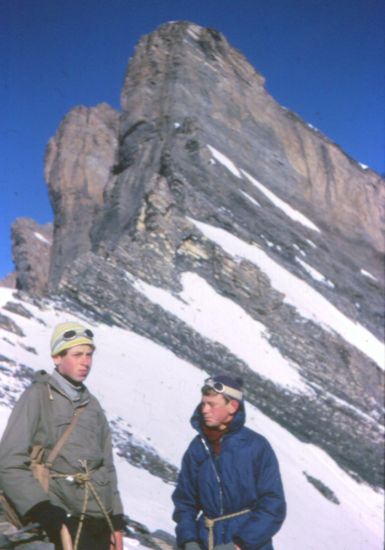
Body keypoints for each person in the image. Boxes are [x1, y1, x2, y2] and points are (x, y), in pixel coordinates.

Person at [0, 321, 126, 550]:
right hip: (56, 522)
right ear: (57, 357)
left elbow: (107, 467)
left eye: (89, 355)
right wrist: (41, 508)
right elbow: (9, 461)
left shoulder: (93, 406)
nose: (86, 362)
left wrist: (116, 522)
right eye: (77, 354)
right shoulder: (37, 396)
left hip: (96, 523)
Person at [172, 374, 286, 550]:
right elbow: (185, 502)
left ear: (232, 406)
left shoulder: (256, 447)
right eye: (204, 403)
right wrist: (189, 540)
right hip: (207, 542)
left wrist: (238, 545)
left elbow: (273, 506)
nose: (204, 409)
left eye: (212, 404)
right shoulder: (198, 447)